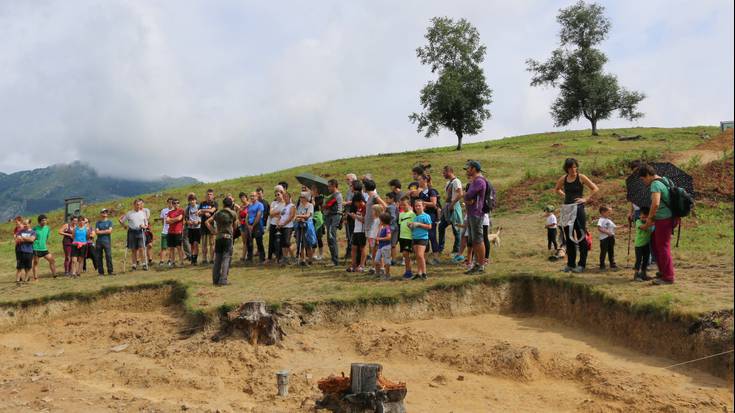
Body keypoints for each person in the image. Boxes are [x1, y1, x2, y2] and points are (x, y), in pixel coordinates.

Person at [554, 158, 599, 274]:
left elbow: (595, 188)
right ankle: (570, 264)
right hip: (567, 209)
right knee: (568, 237)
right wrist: (565, 196)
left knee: (581, 236)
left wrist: (585, 199)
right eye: (570, 168)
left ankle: (581, 264)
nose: (573, 169)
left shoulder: (581, 177)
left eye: (575, 167)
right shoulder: (563, 178)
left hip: (579, 209)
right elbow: (557, 189)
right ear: (567, 169)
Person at [638, 164, 677, 285]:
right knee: (655, 243)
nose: (643, 181)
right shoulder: (664, 180)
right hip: (668, 218)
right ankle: (663, 271)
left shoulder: (655, 184)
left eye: (643, 179)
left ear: (648, 175)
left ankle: (668, 277)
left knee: (663, 247)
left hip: (664, 219)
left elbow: (655, 204)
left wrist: (649, 220)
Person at [463, 160, 488, 274]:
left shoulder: (479, 181)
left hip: (476, 213)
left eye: (468, 168)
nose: (467, 170)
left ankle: (481, 266)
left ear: (473, 169)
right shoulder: (476, 180)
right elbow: (468, 196)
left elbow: (468, 194)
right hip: (472, 213)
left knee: (478, 240)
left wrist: (466, 196)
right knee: (474, 241)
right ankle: (477, 264)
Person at [206, 197, 238, 286]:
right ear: (231, 204)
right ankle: (223, 280)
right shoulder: (233, 213)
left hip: (218, 238)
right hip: (228, 238)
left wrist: (213, 231)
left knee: (217, 260)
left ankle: (215, 280)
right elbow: (235, 226)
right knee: (226, 259)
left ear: (223, 204)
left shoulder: (218, 213)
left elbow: (207, 222)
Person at [119, 199, 150, 271]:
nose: (138, 206)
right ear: (134, 205)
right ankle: (134, 265)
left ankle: (143, 264)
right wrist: (124, 226)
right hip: (132, 232)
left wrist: (144, 226)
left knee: (142, 248)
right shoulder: (129, 213)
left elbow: (146, 224)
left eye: (139, 204)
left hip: (140, 231)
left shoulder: (143, 213)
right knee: (133, 249)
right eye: (137, 204)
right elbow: (122, 221)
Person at [439, 166, 463, 257]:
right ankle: (440, 248)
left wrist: (452, 204)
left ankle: (456, 250)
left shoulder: (456, 181)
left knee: (456, 229)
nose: (443, 174)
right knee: (441, 226)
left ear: (449, 172)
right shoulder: (448, 182)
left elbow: (460, 194)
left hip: (454, 206)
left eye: (444, 172)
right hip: (448, 206)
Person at [417, 174, 441, 265]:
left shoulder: (432, 191)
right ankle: (425, 258)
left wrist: (422, 203)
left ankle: (436, 257)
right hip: (423, 215)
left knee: (432, 235)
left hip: (431, 215)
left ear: (425, 181)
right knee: (424, 235)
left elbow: (434, 203)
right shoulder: (420, 192)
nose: (418, 182)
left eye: (420, 180)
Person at [408, 200, 432, 280]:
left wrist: (419, 224)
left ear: (423, 206)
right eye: (416, 206)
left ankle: (424, 273)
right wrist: (411, 226)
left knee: (420, 255)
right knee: (417, 256)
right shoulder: (415, 217)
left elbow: (429, 226)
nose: (417, 207)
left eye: (419, 205)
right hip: (415, 237)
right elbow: (415, 228)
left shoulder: (426, 216)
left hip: (423, 238)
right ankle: (419, 273)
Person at [324, 179, 343, 266]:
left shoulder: (337, 195)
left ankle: (335, 261)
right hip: (330, 217)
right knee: (329, 238)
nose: (328, 188)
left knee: (331, 238)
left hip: (334, 216)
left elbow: (336, 207)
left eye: (329, 186)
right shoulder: (332, 195)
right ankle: (334, 260)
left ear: (334, 186)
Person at [633, 207, 654, 282]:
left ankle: (643, 273)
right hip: (639, 245)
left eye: (645, 217)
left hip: (646, 244)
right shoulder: (638, 222)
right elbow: (644, 228)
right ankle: (636, 275)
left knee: (646, 259)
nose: (643, 218)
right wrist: (649, 222)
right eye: (642, 217)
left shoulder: (651, 222)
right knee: (638, 260)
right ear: (639, 216)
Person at [294, 191, 315, 266]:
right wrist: (299, 218)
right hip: (300, 226)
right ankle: (302, 259)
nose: (300, 198)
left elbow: (308, 215)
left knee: (308, 243)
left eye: (302, 197)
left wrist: (299, 217)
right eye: (300, 197)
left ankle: (310, 260)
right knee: (300, 243)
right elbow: (296, 215)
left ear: (306, 198)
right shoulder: (300, 205)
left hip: (307, 226)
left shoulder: (310, 205)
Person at [32, 214, 56, 279]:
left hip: (44, 249)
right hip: (36, 248)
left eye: (45, 220)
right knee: (36, 263)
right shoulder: (35, 228)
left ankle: (54, 275)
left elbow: (47, 237)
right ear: (39, 221)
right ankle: (35, 278)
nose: (45, 221)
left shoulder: (47, 228)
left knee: (52, 260)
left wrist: (46, 244)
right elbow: (31, 237)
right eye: (43, 220)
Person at [198, 189, 218, 264]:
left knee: (212, 243)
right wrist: (205, 212)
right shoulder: (202, 203)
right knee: (204, 243)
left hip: (212, 225)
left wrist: (202, 210)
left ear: (213, 196)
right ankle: (204, 259)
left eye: (210, 194)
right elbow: (198, 213)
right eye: (208, 194)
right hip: (203, 225)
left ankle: (212, 259)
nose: (209, 196)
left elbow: (212, 210)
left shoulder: (215, 203)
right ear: (206, 195)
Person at [347, 195, 367, 272]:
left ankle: (362, 265)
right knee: (354, 248)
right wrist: (351, 216)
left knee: (362, 248)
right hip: (356, 229)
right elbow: (358, 218)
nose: (355, 204)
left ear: (360, 201)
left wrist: (355, 216)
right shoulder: (359, 208)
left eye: (355, 202)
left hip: (362, 230)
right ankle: (353, 264)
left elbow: (364, 220)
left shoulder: (365, 207)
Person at [398, 196, 416, 279]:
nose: (402, 207)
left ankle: (410, 271)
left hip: (409, 237)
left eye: (404, 205)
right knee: (405, 255)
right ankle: (407, 271)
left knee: (406, 253)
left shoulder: (412, 214)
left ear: (409, 205)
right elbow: (400, 225)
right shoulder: (401, 214)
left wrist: (411, 226)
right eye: (401, 205)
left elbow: (415, 226)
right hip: (402, 237)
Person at [267, 186, 286, 263]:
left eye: (279, 194)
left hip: (281, 224)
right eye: (276, 194)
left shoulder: (285, 203)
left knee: (280, 241)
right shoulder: (273, 203)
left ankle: (279, 257)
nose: (277, 196)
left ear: (282, 194)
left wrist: (276, 213)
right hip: (273, 224)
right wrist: (278, 213)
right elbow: (270, 214)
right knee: (271, 241)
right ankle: (269, 257)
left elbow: (284, 214)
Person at [246, 192, 265, 263]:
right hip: (249, 225)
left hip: (257, 225)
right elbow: (247, 215)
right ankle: (249, 258)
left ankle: (262, 258)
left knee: (259, 242)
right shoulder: (250, 205)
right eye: (251, 196)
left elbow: (258, 216)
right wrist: (248, 225)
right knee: (249, 242)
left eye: (253, 196)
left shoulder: (260, 205)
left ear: (257, 197)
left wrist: (253, 225)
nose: (252, 197)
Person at [278, 191, 296, 265]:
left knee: (287, 242)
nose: (285, 198)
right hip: (281, 226)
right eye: (284, 197)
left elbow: (291, 216)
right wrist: (278, 223)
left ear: (289, 197)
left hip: (288, 226)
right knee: (283, 243)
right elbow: (280, 216)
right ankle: (285, 258)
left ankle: (293, 257)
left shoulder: (292, 206)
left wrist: (284, 224)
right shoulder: (283, 206)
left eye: (286, 197)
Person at [15, 220, 36, 284]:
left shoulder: (33, 232)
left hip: (29, 251)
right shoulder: (20, 231)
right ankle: (17, 280)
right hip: (20, 251)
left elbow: (32, 240)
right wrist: (27, 238)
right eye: (24, 224)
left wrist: (22, 238)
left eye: (26, 224)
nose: (25, 225)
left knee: (28, 267)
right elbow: (17, 239)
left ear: (29, 224)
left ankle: (26, 280)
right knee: (19, 267)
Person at [597, 205, 617, 270]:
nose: (610, 214)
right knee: (603, 251)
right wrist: (607, 232)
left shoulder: (609, 220)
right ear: (603, 212)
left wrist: (624, 226)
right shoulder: (601, 220)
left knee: (611, 251)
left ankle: (612, 264)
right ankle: (602, 265)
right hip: (604, 239)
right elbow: (599, 228)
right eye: (608, 212)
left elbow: (615, 227)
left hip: (611, 238)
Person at [166, 199, 185, 267]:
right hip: (170, 232)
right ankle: (173, 262)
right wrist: (175, 220)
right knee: (171, 248)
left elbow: (179, 219)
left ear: (179, 204)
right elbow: (167, 221)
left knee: (179, 247)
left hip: (178, 231)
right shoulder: (169, 212)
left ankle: (181, 262)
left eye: (177, 203)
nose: (176, 204)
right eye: (174, 203)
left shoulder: (181, 211)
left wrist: (171, 220)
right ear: (172, 204)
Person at [94, 209, 114, 276]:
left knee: (108, 256)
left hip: (107, 241)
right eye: (103, 212)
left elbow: (110, 231)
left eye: (105, 212)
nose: (104, 213)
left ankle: (110, 271)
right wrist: (106, 231)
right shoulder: (98, 223)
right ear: (101, 213)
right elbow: (97, 232)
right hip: (99, 241)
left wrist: (101, 231)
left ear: (107, 213)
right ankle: (101, 272)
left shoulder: (109, 222)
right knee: (99, 257)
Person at [374, 213, 393, 280]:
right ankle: (378, 273)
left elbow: (389, 237)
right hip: (380, 247)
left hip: (386, 247)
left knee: (387, 261)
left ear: (383, 220)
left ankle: (387, 274)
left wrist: (379, 239)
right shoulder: (382, 227)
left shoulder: (387, 228)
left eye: (380, 220)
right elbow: (378, 236)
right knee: (376, 261)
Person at [185, 194, 202, 264]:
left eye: (193, 200)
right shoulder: (187, 208)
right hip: (190, 228)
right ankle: (192, 258)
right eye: (191, 200)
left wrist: (198, 221)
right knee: (191, 244)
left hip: (197, 228)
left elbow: (202, 218)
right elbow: (186, 218)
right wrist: (188, 222)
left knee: (196, 243)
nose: (192, 201)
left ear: (196, 200)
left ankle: (195, 258)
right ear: (189, 201)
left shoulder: (199, 207)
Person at [384, 192, 399, 264]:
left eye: (387, 198)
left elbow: (393, 217)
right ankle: (394, 259)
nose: (386, 200)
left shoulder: (390, 207)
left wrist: (387, 224)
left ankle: (388, 259)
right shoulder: (395, 206)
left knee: (387, 244)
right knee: (393, 244)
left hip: (391, 227)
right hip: (396, 227)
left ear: (392, 199)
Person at [158, 198, 172, 266]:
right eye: (169, 202)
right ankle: (161, 261)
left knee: (170, 247)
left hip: (172, 231)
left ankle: (170, 260)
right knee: (163, 247)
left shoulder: (175, 210)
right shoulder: (164, 210)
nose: (171, 204)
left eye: (172, 202)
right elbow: (162, 220)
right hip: (165, 231)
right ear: (167, 203)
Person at [237, 192, 250, 262]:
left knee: (248, 240)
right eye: (241, 198)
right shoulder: (241, 206)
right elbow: (238, 216)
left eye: (243, 197)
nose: (242, 199)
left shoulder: (249, 205)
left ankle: (246, 255)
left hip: (247, 224)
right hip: (242, 224)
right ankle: (243, 255)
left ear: (246, 197)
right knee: (244, 241)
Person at [313, 194, 325, 261]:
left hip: (318, 218)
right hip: (311, 217)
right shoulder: (310, 196)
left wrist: (314, 202)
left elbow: (321, 206)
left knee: (319, 237)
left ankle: (321, 254)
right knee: (312, 237)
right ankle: (313, 254)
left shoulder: (320, 196)